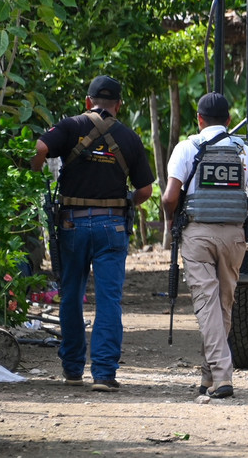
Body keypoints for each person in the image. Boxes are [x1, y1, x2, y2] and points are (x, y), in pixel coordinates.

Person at [30, 75, 154, 392]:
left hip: (71, 224)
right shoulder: (129, 137)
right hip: (112, 225)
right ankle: (103, 373)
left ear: (88, 101)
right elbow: (145, 191)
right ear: (118, 105)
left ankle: (73, 369)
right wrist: (124, 201)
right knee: (109, 299)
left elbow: (40, 146)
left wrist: (36, 170)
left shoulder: (70, 126)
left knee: (71, 294)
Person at [161, 92, 248, 399]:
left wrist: (170, 220)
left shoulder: (187, 148)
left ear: (199, 120)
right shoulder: (244, 151)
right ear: (228, 120)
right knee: (223, 304)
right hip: (234, 237)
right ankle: (208, 376)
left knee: (207, 303)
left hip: (197, 235)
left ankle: (223, 376)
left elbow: (169, 197)